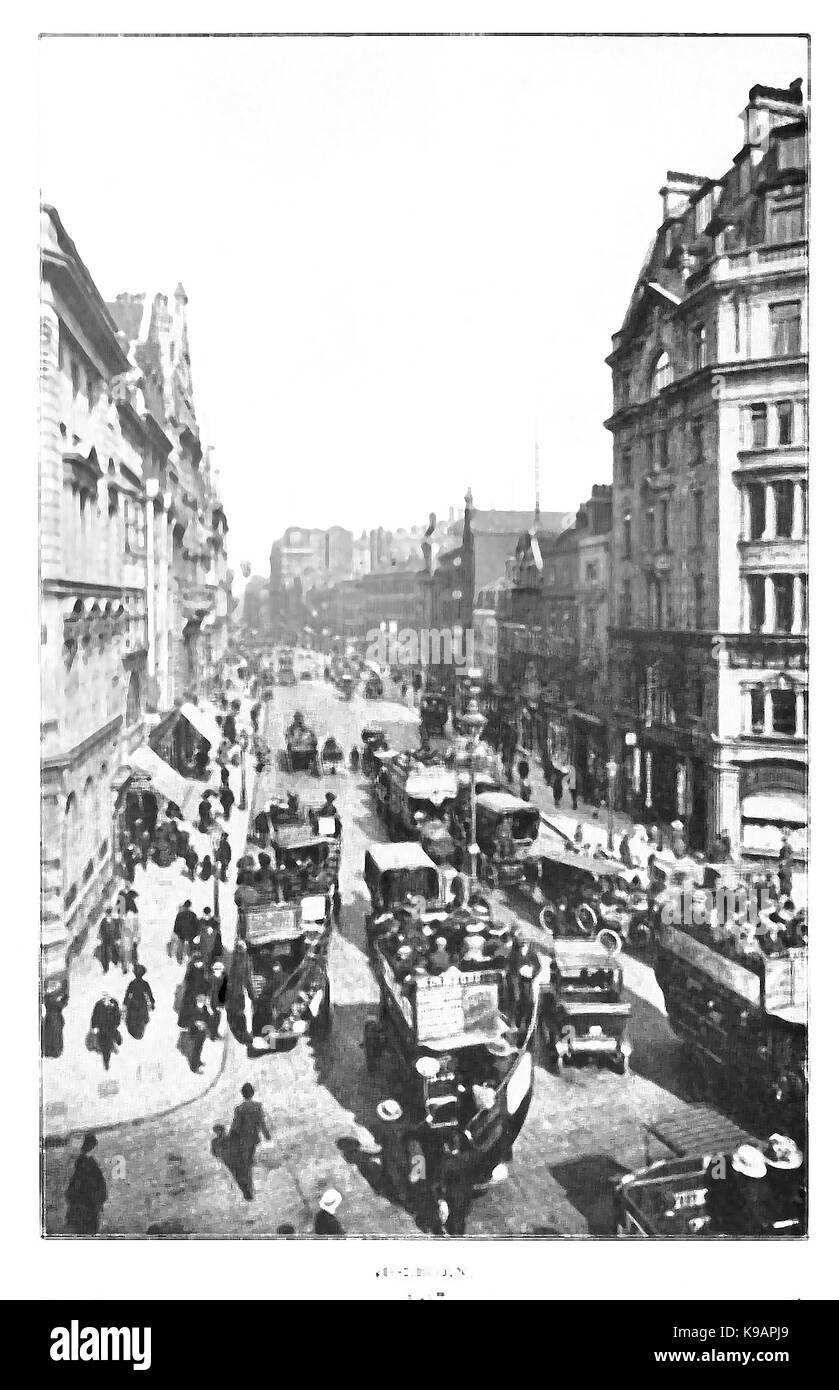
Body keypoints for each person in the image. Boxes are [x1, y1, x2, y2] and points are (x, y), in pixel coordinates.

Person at [228, 1083, 272, 1200]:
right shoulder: (257, 1106)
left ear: (243, 1094)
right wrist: (266, 1134)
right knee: (250, 1161)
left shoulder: (239, 1109)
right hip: (254, 1139)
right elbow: (261, 1122)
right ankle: (250, 1186)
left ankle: (249, 1188)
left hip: (243, 1139)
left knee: (245, 1163)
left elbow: (236, 1125)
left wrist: (231, 1135)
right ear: (252, 1093)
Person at [65, 1134, 107, 1235]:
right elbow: (91, 1186)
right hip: (87, 1210)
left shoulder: (83, 1163)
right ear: (92, 1147)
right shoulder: (88, 1164)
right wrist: (97, 1201)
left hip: (85, 1209)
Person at [226, 939, 254, 1043]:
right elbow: (243, 975)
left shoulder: (242, 957)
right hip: (237, 989)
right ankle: (243, 1034)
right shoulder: (241, 958)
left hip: (239, 989)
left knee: (242, 1013)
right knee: (240, 1013)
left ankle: (244, 1033)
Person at [90, 993, 122, 1071]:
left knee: (112, 1043)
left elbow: (118, 1015)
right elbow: (95, 1015)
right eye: (104, 997)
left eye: (107, 996)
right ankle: (106, 1061)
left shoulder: (114, 1004)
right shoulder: (99, 1005)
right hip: (102, 1029)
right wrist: (94, 1026)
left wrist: (116, 1024)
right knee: (104, 1046)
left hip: (111, 1028)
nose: (105, 998)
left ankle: (112, 1049)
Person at [184, 993, 214, 1073]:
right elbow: (187, 1020)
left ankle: (198, 1061)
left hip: (202, 1032)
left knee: (200, 1047)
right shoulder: (192, 1009)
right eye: (201, 1001)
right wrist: (196, 1023)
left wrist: (209, 1007)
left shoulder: (205, 1008)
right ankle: (194, 1067)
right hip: (195, 1032)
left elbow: (210, 1016)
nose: (202, 1002)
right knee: (195, 1049)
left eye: (203, 1001)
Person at [123, 965, 155, 1040]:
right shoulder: (145, 983)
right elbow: (149, 994)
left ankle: (135, 1031)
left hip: (133, 1003)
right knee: (140, 1018)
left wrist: (126, 1003)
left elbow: (128, 994)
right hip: (142, 1003)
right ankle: (138, 1031)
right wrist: (152, 1003)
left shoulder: (132, 983)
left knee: (134, 1018)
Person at [172, 900, 199, 966]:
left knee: (181, 947)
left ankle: (180, 960)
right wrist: (196, 934)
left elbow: (176, 925)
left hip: (181, 934)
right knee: (191, 947)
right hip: (191, 934)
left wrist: (177, 933)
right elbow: (196, 925)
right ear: (190, 906)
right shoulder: (192, 914)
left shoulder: (180, 914)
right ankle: (190, 960)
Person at [778, 828, 794, 900]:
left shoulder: (786, 847)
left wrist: (784, 862)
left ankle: (786, 895)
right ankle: (786, 895)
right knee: (785, 882)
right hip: (786, 868)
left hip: (785, 868)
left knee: (785, 883)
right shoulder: (787, 847)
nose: (783, 842)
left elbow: (787, 857)